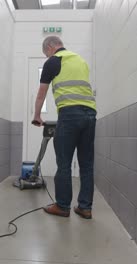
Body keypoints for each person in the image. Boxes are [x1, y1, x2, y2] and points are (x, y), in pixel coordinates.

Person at [32, 36, 97, 219]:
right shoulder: (80, 60)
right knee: (86, 164)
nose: (47, 57)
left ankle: (62, 206)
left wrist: (37, 116)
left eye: (46, 53)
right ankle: (85, 208)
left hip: (69, 115)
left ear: (51, 47)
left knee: (64, 162)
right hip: (90, 114)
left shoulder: (53, 61)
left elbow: (41, 93)